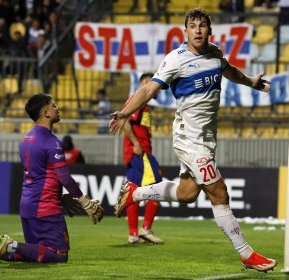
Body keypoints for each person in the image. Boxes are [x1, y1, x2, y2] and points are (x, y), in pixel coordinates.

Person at [109, 8, 276, 272]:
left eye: (202, 25)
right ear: (185, 31)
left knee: (187, 194)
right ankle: (246, 254)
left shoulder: (215, 53)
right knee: (219, 192)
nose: (198, 30)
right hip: (189, 137)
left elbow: (229, 70)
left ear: (209, 30)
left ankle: (135, 192)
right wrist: (125, 112)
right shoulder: (175, 59)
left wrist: (252, 82)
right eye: (193, 25)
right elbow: (149, 89)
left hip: (207, 138)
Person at [0, 94, 104, 264]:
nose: (58, 108)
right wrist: (84, 201)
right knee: (59, 255)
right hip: (45, 207)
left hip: (28, 206)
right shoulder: (52, 142)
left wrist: (61, 199)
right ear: (46, 113)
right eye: (54, 105)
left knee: (34, 253)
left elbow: (40, 175)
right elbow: (64, 176)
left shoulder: (26, 140)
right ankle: (10, 245)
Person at [122, 72, 163, 244]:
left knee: (135, 191)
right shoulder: (137, 100)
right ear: (144, 83)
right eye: (152, 83)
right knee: (158, 188)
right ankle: (145, 229)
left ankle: (133, 233)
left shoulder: (141, 103)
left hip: (136, 153)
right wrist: (136, 144)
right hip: (140, 152)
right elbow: (124, 121)